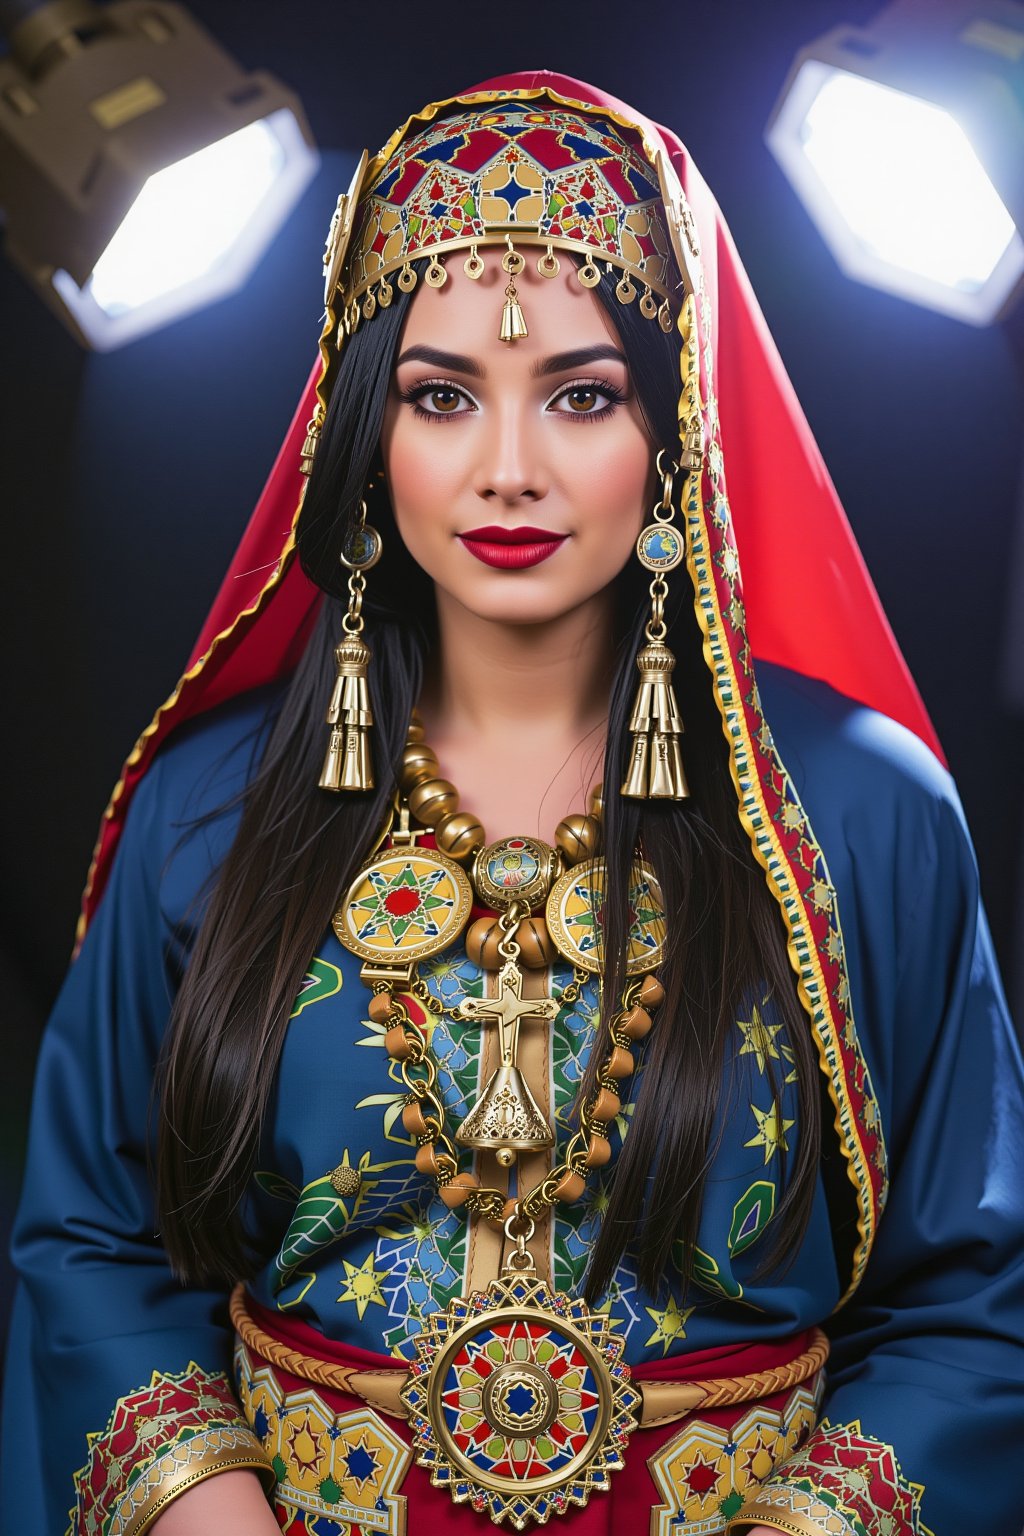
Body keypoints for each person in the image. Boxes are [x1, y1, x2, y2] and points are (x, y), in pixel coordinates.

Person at [3, 69, 1022, 1536]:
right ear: (370, 433)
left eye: (583, 396)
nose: (508, 472)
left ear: (675, 432)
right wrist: (204, 1510)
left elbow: (980, 1297)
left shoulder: (866, 818)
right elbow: (91, 1242)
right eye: (440, 396)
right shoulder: (207, 812)